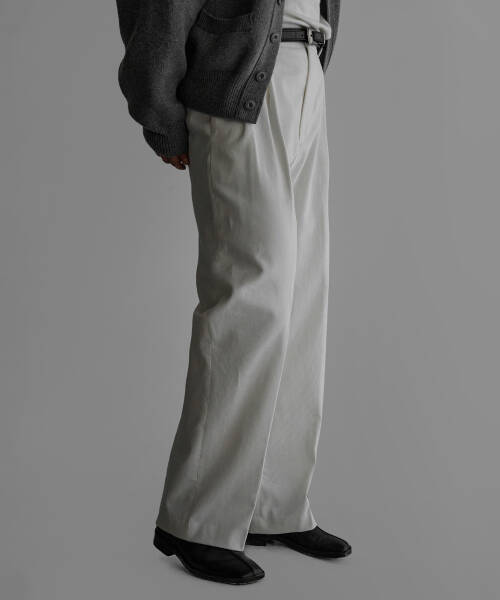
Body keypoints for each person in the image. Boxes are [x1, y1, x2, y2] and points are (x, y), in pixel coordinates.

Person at [116, 0, 351, 585]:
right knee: (250, 297)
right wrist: (159, 109)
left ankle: (274, 503)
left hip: (305, 69)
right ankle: (196, 518)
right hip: (238, 82)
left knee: (301, 298)